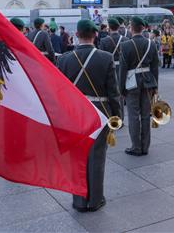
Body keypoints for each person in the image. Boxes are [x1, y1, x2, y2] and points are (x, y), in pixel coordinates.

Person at [57, 19, 122, 212]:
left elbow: (59, 92)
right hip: (99, 113)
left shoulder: (64, 59)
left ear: (76, 35)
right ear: (95, 35)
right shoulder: (106, 57)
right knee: (97, 156)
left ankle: (79, 200)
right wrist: (117, 115)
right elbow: (113, 92)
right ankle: (95, 200)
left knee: (77, 156)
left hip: (74, 113)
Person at [118, 17, 159, 156]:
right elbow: (155, 67)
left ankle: (136, 146)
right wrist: (155, 86)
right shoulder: (151, 44)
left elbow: (122, 69)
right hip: (148, 82)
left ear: (131, 28)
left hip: (131, 83)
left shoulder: (125, 45)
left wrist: (121, 89)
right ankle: (145, 146)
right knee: (146, 115)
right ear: (142, 28)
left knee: (134, 115)